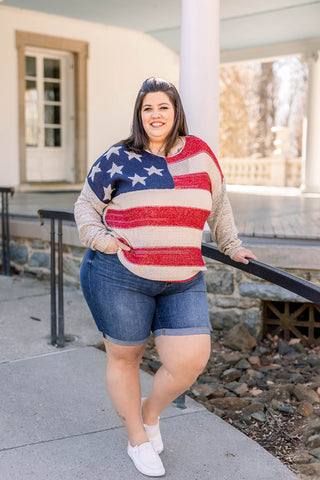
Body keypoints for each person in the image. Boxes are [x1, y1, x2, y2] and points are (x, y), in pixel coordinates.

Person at [74, 77, 257, 477]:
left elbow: (219, 206)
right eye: (147, 108)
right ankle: (137, 439)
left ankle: (149, 413)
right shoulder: (117, 157)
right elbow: (85, 206)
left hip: (183, 276)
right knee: (126, 357)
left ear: (176, 112)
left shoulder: (200, 154)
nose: (156, 115)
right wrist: (102, 241)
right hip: (118, 273)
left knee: (190, 360)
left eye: (163, 107)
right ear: (139, 115)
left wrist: (231, 245)